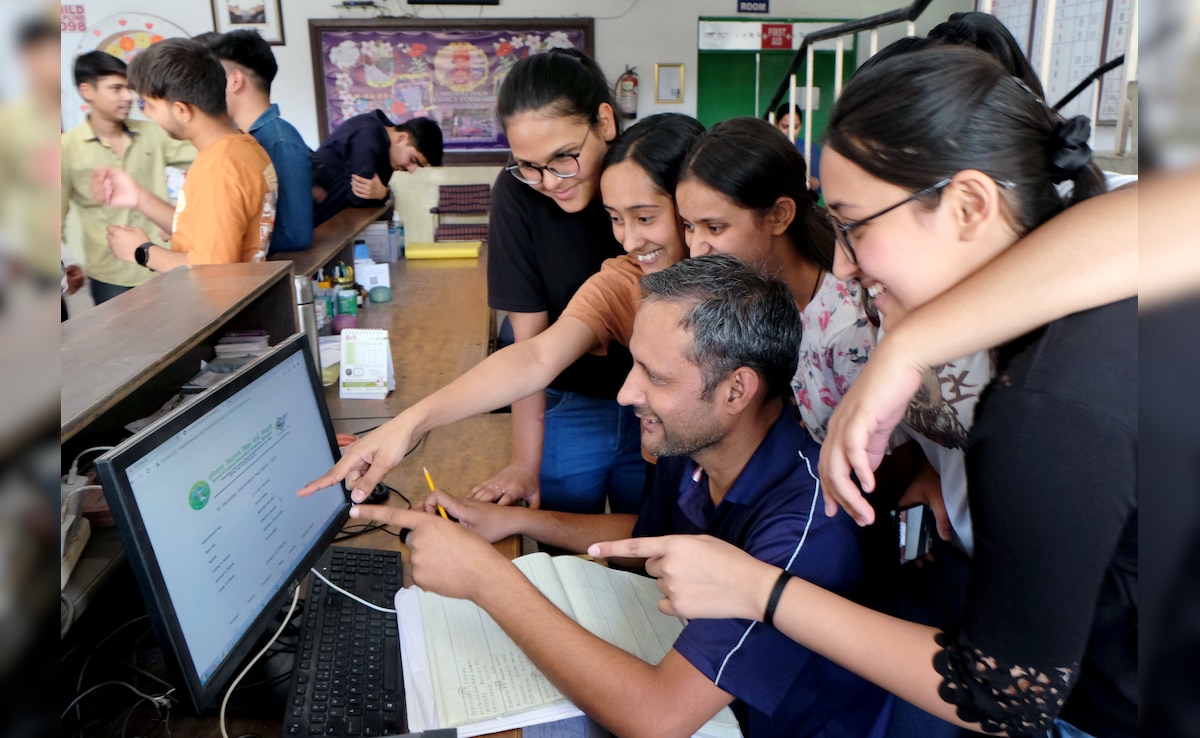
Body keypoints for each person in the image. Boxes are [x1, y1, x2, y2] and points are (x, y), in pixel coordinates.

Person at [595, 46, 1137, 738]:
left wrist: (761, 590)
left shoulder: (1042, 407)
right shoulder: (1092, 269)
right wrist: (911, 347)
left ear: (969, 204)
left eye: (856, 226)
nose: (843, 264)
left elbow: (1004, 696)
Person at [335, 255, 891, 737]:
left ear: (736, 390)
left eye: (655, 376)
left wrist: (487, 578)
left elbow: (657, 719)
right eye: (633, 365)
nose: (627, 393)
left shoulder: (807, 528)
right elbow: (648, 539)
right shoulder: (696, 443)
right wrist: (512, 524)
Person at [298, 113, 702, 512]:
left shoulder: (733, 289)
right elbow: (536, 355)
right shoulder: (624, 280)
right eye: (614, 218)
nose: (629, 240)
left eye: (645, 218)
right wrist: (407, 424)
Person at [472, 49, 646, 514]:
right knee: (562, 543)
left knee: (652, 541)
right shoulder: (517, 193)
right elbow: (529, 346)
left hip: (658, 401)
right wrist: (523, 463)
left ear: (604, 122)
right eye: (529, 164)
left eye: (563, 158)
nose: (549, 181)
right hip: (566, 401)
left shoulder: (650, 174)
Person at [676, 117, 876, 445]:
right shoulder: (752, 293)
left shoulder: (847, 326)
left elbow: (890, 462)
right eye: (688, 226)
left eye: (715, 228)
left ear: (780, 215)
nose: (696, 248)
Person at [90, 38, 277, 269]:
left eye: (149, 105)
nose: (147, 114)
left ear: (181, 110)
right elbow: (209, 234)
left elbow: (212, 270)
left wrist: (142, 252)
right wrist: (139, 198)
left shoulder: (219, 168)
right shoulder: (243, 148)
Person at [61, 51, 195, 304]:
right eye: (116, 88)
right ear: (87, 91)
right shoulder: (65, 148)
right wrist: (64, 263)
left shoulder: (154, 133)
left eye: (128, 89)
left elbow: (207, 155)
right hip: (112, 275)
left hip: (164, 263)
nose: (127, 97)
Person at [200, 30, 313, 254]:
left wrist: (231, 240)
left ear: (235, 80)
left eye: (213, 79)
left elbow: (295, 235)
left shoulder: (278, 141)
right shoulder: (246, 139)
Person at [311, 110, 442, 225]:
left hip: (328, 226)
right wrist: (383, 194)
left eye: (418, 166)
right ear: (402, 138)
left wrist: (382, 194)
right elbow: (359, 198)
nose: (411, 169)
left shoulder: (387, 150)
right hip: (312, 223)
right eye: (413, 160)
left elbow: (375, 196)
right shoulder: (366, 134)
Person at [773, 102, 820, 191]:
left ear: (801, 125)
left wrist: (807, 181)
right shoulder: (769, 147)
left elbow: (820, 183)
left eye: (795, 127)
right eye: (785, 126)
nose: (790, 131)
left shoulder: (809, 149)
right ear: (776, 123)